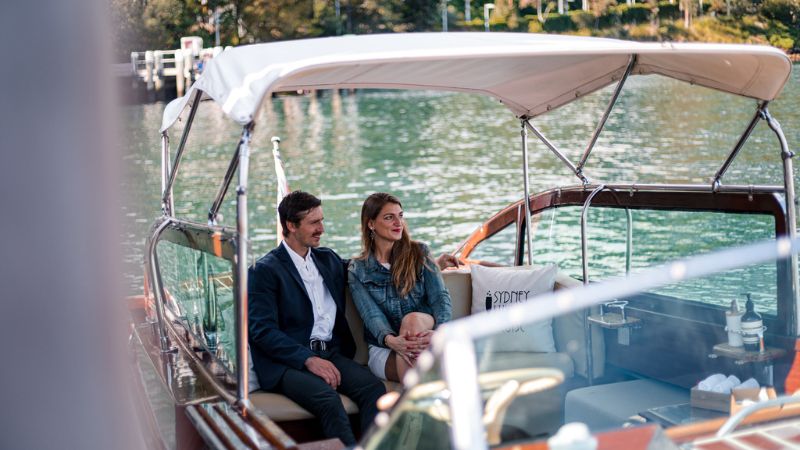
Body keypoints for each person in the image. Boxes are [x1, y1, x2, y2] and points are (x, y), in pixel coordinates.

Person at [248, 191, 386, 446]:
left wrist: (430, 264)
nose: (321, 229)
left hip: (330, 353)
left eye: (321, 220)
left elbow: (370, 271)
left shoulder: (328, 259)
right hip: (286, 363)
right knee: (328, 400)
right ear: (291, 225)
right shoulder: (264, 270)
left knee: (374, 390)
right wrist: (308, 359)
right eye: (314, 223)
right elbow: (262, 330)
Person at [348, 193, 454, 382]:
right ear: (371, 224)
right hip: (385, 346)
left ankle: (414, 398)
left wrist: (439, 333)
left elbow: (440, 297)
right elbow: (371, 314)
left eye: (400, 216)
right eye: (389, 217)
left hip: (426, 334)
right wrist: (392, 340)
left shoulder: (420, 252)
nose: (399, 223)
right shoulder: (358, 269)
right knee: (423, 368)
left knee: (412, 320)